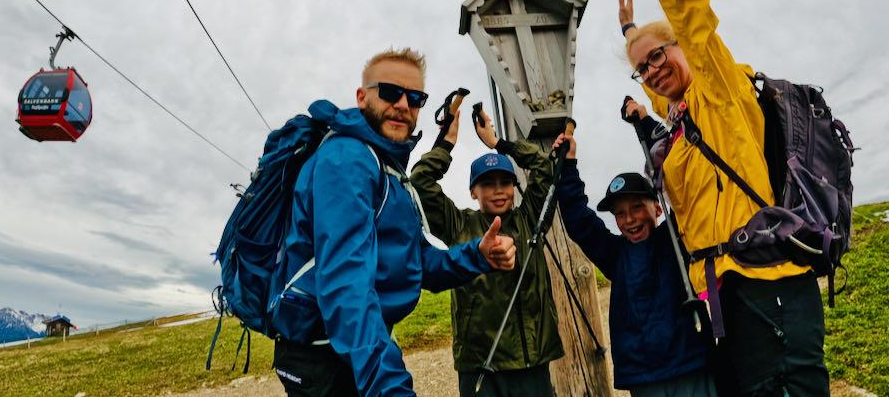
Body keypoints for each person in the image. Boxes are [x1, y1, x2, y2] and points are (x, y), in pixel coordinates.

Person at [621, 0, 829, 395]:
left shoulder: (720, 92)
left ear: (683, 47)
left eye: (658, 54)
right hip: (721, 295)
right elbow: (661, 82)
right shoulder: (684, 118)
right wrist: (632, 35)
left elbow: (691, 13)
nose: (651, 69)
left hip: (769, 284)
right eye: (641, 67)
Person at [269, 48, 517, 397]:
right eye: (389, 92)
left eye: (415, 98)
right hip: (327, 354)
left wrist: (478, 255)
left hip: (356, 347)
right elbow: (347, 285)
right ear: (361, 96)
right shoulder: (348, 159)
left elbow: (418, 261)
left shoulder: (389, 169)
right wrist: (390, 388)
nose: (403, 104)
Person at [410, 99, 564, 397]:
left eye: (505, 182)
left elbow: (544, 166)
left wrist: (498, 143)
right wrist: (447, 142)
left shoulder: (531, 218)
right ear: (472, 191)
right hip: (480, 365)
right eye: (487, 183)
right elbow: (420, 182)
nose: (498, 189)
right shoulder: (458, 224)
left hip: (530, 362)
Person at [552, 125, 716, 395]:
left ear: (659, 208)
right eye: (620, 213)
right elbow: (579, 220)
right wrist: (568, 166)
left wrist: (649, 128)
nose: (629, 219)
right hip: (643, 377)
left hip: (690, 366)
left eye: (638, 207)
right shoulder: (615, 254)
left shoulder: (677, 239)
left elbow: (692, 185)